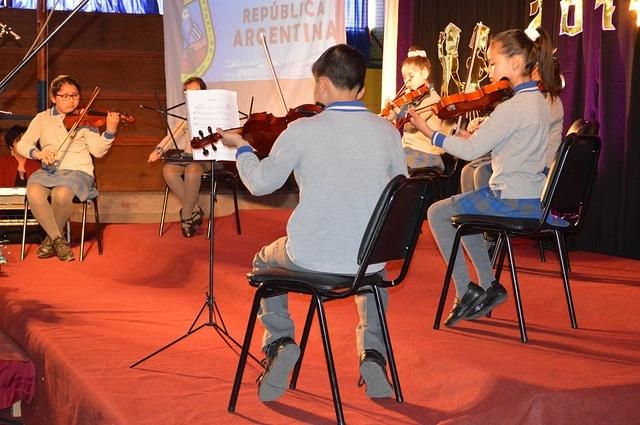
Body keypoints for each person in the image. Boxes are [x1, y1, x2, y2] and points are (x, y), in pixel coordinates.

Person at [217, 44, 407, 402]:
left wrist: (242, 148)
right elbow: (399, 191)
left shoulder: (302, 130)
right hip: (370, 257)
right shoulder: (386, 131)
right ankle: (373, 354)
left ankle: (280, 342)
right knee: (373, 274)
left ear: (321, 85)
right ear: (362, 90)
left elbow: (260, 183)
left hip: (310, 257)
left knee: (263, 259)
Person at [408, 27, 559, 326]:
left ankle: (468, 290)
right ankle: (487, 285)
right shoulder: (542, 102)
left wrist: (431, 133)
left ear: (515, 64)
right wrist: (469, 137)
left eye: (492, 62)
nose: (488, 69)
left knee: (437, 213)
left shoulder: (513, 107)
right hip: (532, 196)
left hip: (512, 199)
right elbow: (509, 144)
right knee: (465, 209)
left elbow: (469, 152)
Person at [16, 75, 120, 261]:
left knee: (61, 194)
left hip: (78, 171)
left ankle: (51, 241)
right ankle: (58, 240)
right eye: (66, 96)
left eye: (75, 96)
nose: (72, 100)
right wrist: (38, 154)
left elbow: (97, 152)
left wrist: (110, 131)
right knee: (33, 192)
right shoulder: (42, 119)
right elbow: (22, 145)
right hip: (49, 171)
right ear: (53, 98)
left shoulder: (84, 119)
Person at [459, 57, 565, 193]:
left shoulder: (551, 102)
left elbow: (520, 125)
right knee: (468, 170)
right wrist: (485, 121)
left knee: (481, 172)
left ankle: (494, 211)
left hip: (538, 164)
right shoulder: (530, 98)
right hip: (521, 158)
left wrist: (489, 126)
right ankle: (472, 212)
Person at [147, 76, 209, 238]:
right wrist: (158, 151)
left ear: (204, 92)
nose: (192, 95)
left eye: (196, 91)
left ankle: (187, 216)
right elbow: (171, 135)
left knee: (193, 170)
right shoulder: (186, 115)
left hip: (207, 159)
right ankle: (194, 210)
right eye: (188, 92)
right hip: (188, 157)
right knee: (168, 170)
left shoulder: (213, 111)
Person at [384, 47, 446, 171]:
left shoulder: (433, 99)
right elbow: (394, 116)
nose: (406, 82)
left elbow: (413, 122)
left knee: (390, 161)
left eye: (410, 76)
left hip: (426, 152)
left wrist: (397, 110)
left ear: (424, 73)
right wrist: (386, 113)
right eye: (404, 77)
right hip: (408, 150)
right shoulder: (411, 96)